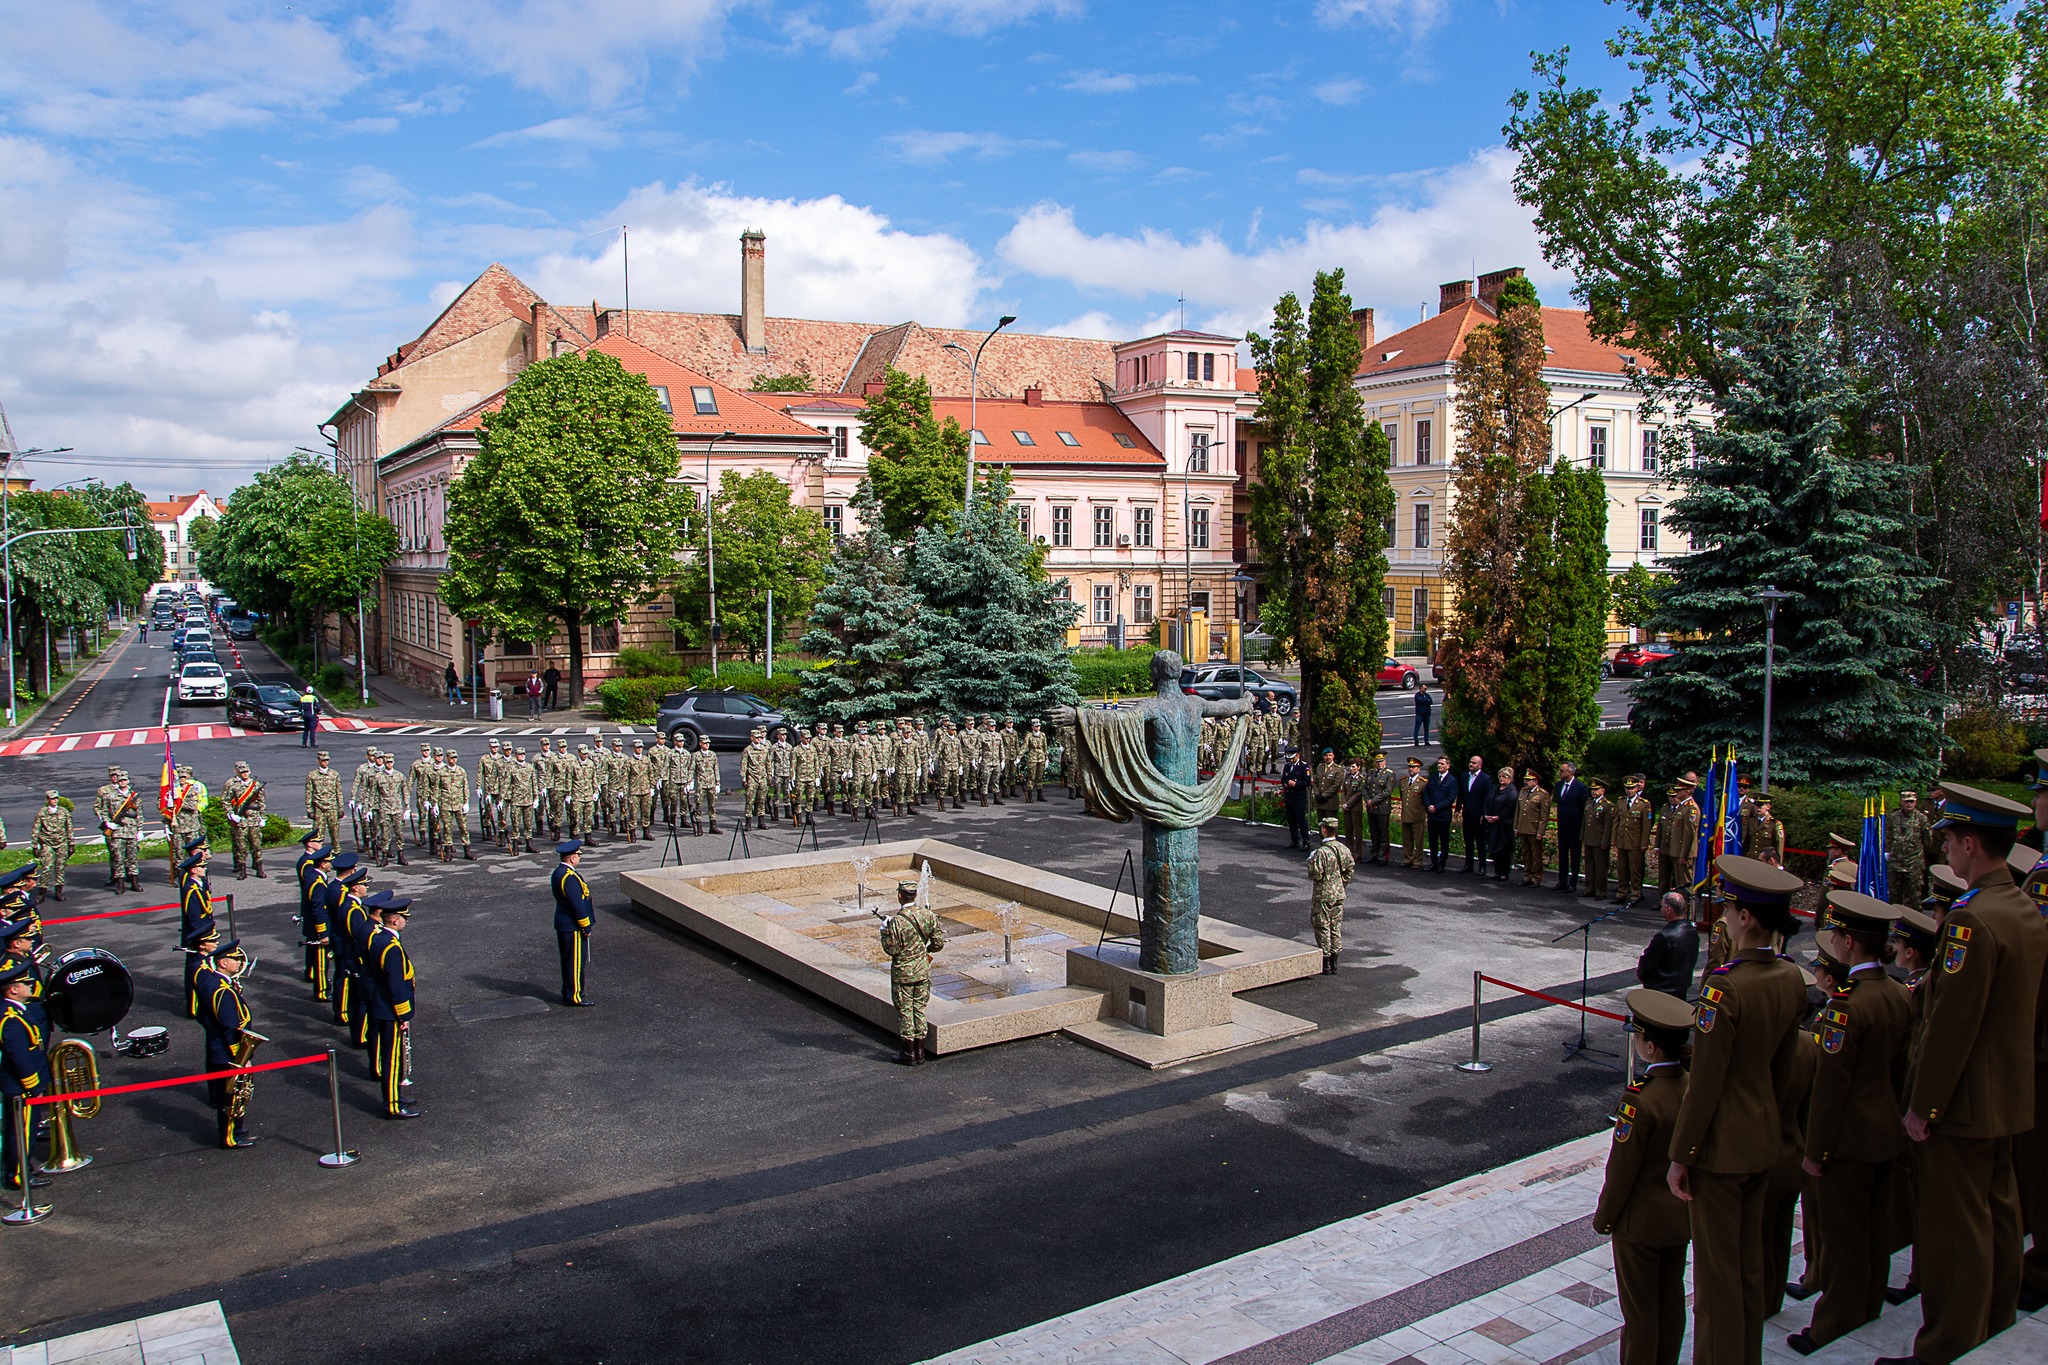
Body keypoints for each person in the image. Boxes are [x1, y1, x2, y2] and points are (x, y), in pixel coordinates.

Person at [1881, 782, 2047, 1365]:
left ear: (1970, 843)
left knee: (1956, 1231)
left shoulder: (1972, 922)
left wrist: (1921, 1108)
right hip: (2009, 1095)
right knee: (2000, 1218)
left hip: (1962, 1104)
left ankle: (1946, 1345)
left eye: (1948, 839)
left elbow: (1950, 1027)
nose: (1945, 851)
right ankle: (1992, 1323)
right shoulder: (2024, 906)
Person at [1665, 855, 1807, 1365]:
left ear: (1746, 917)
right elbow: (1785, 1070)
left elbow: (1704, 1084)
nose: (1723, 915)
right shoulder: (1790, 978)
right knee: (1749, 1266)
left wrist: (1682, 1154)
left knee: (1717, 1277)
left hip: (1722, 1149)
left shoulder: (1725, 986)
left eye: (1728, 907)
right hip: (1764, 1136)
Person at [1785, 890, 1910, 1355]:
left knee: (1842, 1236)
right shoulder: (1897, 994)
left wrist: (1815, 1152)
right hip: (1884, 1129)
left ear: (1850, 943)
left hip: (1848, 1139)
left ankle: (1835, 1318)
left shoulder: (1845, 1007)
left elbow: (1830, 1091)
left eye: (1838, 934)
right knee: (1875, 1228)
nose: (1833, 941)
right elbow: (1900, 1069)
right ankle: (1869, 1300)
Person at [1595, 988, 1695, 1365]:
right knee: (1669, 1300)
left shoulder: (1640, 1099)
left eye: (1637, 1037)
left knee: (1639, 1312)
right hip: (1677, 1215)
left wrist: (1606, 1217)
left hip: (1640, 1221)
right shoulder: (1689, 1085)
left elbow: (1622, 1169)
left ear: (1650, 1047)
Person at [194, 938, 260, 1148]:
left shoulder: (210, 981)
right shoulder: (222, 990)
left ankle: (234, 1129)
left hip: (216, 1046)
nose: (240, 962)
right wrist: (242, 1058)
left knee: (229, 1095)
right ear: (223, 963)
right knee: (233, 1098)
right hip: (227, 1053)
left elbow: (202, 1015)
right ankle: (230, 1136)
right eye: (235, 959)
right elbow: (230, 1027)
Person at [362, 893, 422, 1120]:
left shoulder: (381, 939)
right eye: (404, 918)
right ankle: (393, 1103)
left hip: (381, 1005)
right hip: (390, 1010)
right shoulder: (391, 947)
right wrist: (403, 1014)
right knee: (392, 1058)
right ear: (395, 920)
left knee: (392, 1056)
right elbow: (395, 984)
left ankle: (395, 1095)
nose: (407, 921)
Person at [880, 880, 945, 1065]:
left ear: (900, 895)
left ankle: (908, 1053)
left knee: (906, 1011)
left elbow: (891, 950)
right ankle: (920, 1052)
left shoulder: (897, 922)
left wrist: (885, 932)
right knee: (919, 1009)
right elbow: (939, 944)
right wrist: (925, 951)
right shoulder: (928, 915)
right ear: (915, 895)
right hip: (923, 971)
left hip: (903, 974)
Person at [0, 958, 49, 1193]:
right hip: (22, 1087)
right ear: (13, 989)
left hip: (22, 1085)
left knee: (20, 1131)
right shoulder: (11, 1019)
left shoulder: (17, 1011)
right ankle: (19, 1174)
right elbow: (19, 1057)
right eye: (26, 983)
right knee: (22, 1132)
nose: (31, 986)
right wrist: (34, 1085)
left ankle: (20, 1168)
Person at [1307, 816, 1355, 974]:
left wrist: (1311, 862)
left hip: (1324, 894)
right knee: (1335, 926)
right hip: (1339, 893)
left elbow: (1316, 874)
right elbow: (1350, 869)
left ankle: (1325, 962)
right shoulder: (1343, 849)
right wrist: (1341, 883)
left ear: (1324, 830)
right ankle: (1335, 960)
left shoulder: (1322, 853)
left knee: (1322, 926)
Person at [551, 840, 594, 1007]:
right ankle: (575, 995)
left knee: (569, 961)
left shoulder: (558, 872)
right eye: (578, 856)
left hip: (564, 924)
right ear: (572, 858)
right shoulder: (569, 877)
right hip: (573, 926)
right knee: (575, 963)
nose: (579, 859)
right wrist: (586, 925)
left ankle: (569, 991)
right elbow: (577, 905)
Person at [1637, 892, 1699, 998]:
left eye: (1662, 907)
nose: (1661, 909)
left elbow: (1646, 964)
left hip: (1661, 991)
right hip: (1681, 990)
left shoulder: (1664, 937)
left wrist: (1647, 980)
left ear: (1668, 909)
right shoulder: (1692, 932)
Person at [95, 765, 144, 894]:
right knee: (118, 859)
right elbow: (104, 810)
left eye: (125, 780)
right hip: (117, 832)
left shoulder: (134, 797)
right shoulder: (110, 796)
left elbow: (139, 814)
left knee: (133, 858)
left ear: (128, 781)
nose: (122, 782)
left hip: (131, 831)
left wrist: (140, 830)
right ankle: (120, 884)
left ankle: (134, 882)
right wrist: (107, 823)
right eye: (120, 780)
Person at [1614, 774, 1653, 907]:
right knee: (1622, 869)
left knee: (1635, 870)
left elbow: (1646, 826)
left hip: (1635, 842)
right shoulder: (1620, 802)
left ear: (1637, 788)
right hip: (1622, 840)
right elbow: (1616, 822)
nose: (1629, 790)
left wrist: (1644, 843)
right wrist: (1614, 839)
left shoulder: (1644, 804)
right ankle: (1621, 893)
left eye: (1632, 788)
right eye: (1627, 788)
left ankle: (1635, 894)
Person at [1888, 790, 1932, 909]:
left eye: (1911, 801)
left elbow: (1928, 840)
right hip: (1895, 862)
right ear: (1901, 802)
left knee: (1913, 897)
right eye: (1906, 801)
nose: (1909, 804)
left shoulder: (1921, 819)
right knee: (1894, 895)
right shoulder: (1894, 817)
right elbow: (1888, 836)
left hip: (1913, 864)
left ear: (1916, 802)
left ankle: (1913, 921)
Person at [1655, 780, 1699, 895]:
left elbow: (1689, 835)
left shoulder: (1691, 808)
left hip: (1683, 853)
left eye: (1681, 789)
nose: (1677, 792)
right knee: (1679, 884)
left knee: (1685, 884)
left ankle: (1688, 910)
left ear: (1688, 791)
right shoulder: (1682, 806)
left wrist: (1683, 855)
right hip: (1676, 851)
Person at [223, 760, 265, 880]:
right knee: (241, 846)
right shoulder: (232, 784)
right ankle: (242, 869)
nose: (244, 774)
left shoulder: (255, 785)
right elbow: (225, 800)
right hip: (240, 820)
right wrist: (230, 814)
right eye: (242, 772)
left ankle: (259, 868)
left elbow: (261, 802)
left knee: (256, 845)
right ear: (237, 772)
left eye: (246, 771)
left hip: (254, 818)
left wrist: (263, 817)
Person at [29, 791, 72, 903]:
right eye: (52, 799)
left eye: (56, 798)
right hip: (47, 842)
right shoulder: (42, 813)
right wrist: (34, 845)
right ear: (48, 799)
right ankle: (42, 893)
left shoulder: (64, 812)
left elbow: (69, 828)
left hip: (61, 842)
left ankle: (59, 892)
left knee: (60, 867)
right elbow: (36, 829)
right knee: (47, 867)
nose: (55, 800)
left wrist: (71, 844)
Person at [1554, 761, 1589, 893]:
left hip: (1575, 827)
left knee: (1574, 855)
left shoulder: (1580, 787)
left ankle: (1573, 882)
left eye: (1562, 771)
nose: (1560, 773)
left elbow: (1584, 807)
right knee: (1562, 854)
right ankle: (1562, 880)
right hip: (1562, 825)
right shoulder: (1559, 785)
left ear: (1570, 772)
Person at [1514, 768, 1552, 887]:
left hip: (1534, 829)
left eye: (1529, 780)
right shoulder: (1523, 792)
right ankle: (1527, 876)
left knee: (1536, 855)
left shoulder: (1542, 794)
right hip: (1523, 827)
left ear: (1535, 782)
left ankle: (1536, 877)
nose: (1526, 782)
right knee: (1525, 854)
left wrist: (1540, 831)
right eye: (1525, 780)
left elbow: (1543, 816)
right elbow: (1518, 811)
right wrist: (1516, 827)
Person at [1459, 755, 1493, 874]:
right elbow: (1462, 794)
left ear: (1479, 765)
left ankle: (1482, 865)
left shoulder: (1485, 779)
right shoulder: (1464, 777)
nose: (1471, 764)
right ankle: (1468, 864)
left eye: (1474, 763)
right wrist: (1458, 809)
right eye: (1470, 762)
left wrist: (1484, 814)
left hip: (1479, 816)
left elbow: (1487, 798)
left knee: (1480, 842)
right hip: (1467, 814)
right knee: (1468, 841)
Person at [1582, 777, 1615, 900]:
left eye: (1596, 789)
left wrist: (1605, 841)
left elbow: (1607, 826)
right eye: (1592, 789)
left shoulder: (1607, 806)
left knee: (1600, 867)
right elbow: (1585, 822)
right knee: (1589, 865)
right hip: (1589, 838)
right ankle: (1589, 888)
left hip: (1599, 839)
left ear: (1602, 791)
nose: (1593, 792)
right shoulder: (1589, 802)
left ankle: (1600, 891)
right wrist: (1583, 836)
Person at [1424, 755, 1457, 873]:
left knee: (1443, 840)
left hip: (1443, 815)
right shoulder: (1433, 778)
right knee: (1432, 840)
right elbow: (1426, 793)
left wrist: (1436, 807)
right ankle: (1433, 861)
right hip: (1432, 815)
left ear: (1448, 766)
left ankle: (1442, 863)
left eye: (1442, 764)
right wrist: (1429, 806)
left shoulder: (1452, 780)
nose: (1439, 765)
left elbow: (1450, 798)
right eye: (1438, 763)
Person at [305, 750, 342, 853]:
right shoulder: (312, 775)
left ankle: (336, 853)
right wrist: (309, 809)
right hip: (319, 807)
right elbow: (309, 792)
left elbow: (338, 791)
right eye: (323, 760)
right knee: (318, 834)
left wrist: (341, 807)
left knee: (334, 833)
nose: (325, 762)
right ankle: (319, 855)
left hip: (332, 807)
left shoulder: (334, 774)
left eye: (327, 760)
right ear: (318, 761)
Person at [1485, 765, 1518, 879]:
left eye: (1504, 776)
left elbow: (1510, 807)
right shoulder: (1495, 788)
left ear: (1510, 778)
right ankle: (1497, 871)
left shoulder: (1512, 791)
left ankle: (1504, 873)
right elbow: (1488, 801)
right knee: (1495, 849)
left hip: (1504, 825)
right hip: (1493, 824)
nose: (1501, 778)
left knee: (1504, 849)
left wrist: (1498, 817)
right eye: (1500, 776)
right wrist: (1486, 815)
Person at [1280, 748, 1313, 850]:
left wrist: (1296, 784)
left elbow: (1307, 782)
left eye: (1292, 758)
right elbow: (1283, 779)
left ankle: (1306, 841)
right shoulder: (1287, 766)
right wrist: (1286, 784)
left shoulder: (1303, 767)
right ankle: (1295, 840)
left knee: (1301, 819)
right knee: (1291, 819)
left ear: (1297, 756)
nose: (1291, 760)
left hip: (1299, 796)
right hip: (1289, 795)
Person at [1399, 757, 1428, 868]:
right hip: (1406, 814)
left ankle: (1417, 860)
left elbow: (1423, 800)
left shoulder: (1423, 783)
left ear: (1418, 769)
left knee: (1418, 840)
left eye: (1413, 767)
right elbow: (1403, 797)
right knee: (1407, 839)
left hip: (1417, 815)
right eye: (1410, 767)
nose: (1411, 769)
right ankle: (1408, 858)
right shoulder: (1403, 781)